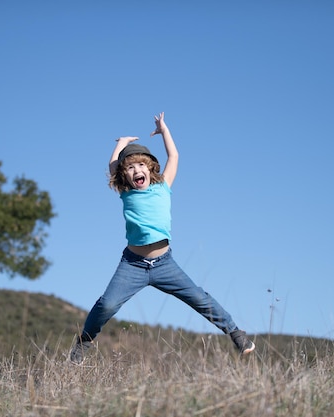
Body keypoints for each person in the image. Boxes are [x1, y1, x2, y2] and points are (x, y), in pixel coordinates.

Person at [69, 112, 255, 364]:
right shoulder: (126, 192)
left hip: (165, 264)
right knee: (107, 305)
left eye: (140, 165)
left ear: (150, 168)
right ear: (124, 176)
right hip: (132, 265)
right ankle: (84, 343)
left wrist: (164, 130)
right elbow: (113, 165)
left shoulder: (163, 185)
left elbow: (174, 156)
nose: (136, 170)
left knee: (200, 299)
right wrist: (120, 144)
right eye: (130, 168)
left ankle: (236, 333)